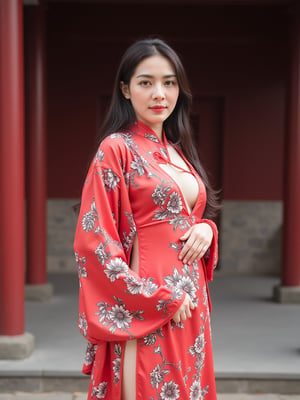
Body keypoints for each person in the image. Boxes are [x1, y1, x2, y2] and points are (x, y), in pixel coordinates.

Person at [74, 38, 220, 400]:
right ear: (125, 89)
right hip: (151, 307)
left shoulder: (178, 151)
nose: (159, 93)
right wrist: (158, 298)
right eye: (146, 82)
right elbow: (94, 244)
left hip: (191, 307)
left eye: (169, 82)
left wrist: (207, 228)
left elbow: (188, 216)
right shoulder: (117, 149)